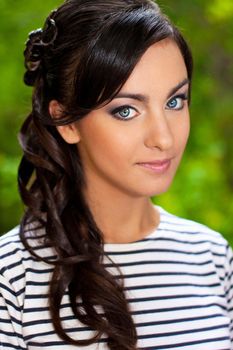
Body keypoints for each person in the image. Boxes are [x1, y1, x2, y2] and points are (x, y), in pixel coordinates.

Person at [0, 0, 232, 349]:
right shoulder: (12, 279)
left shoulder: (211, 256)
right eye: (126, 110)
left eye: (175, 102)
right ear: (67, 121)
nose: (163, 138)